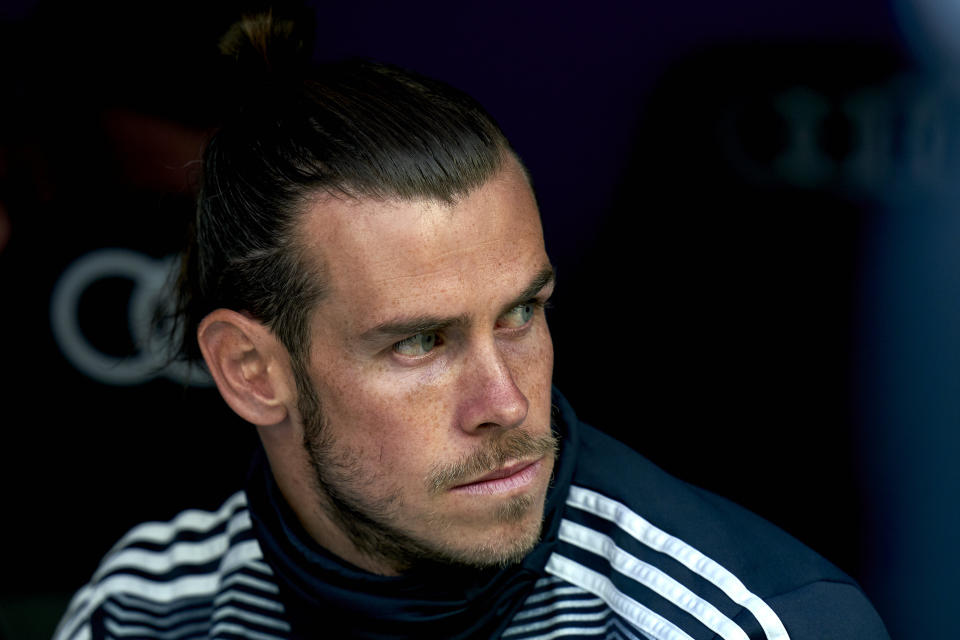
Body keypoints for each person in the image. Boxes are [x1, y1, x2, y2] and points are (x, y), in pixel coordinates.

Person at [55, 14, 889, 640]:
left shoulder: (744, 622)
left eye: (522, 313)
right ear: (249, 369)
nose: (505, 402)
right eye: (420, 341)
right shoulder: (143, 611)